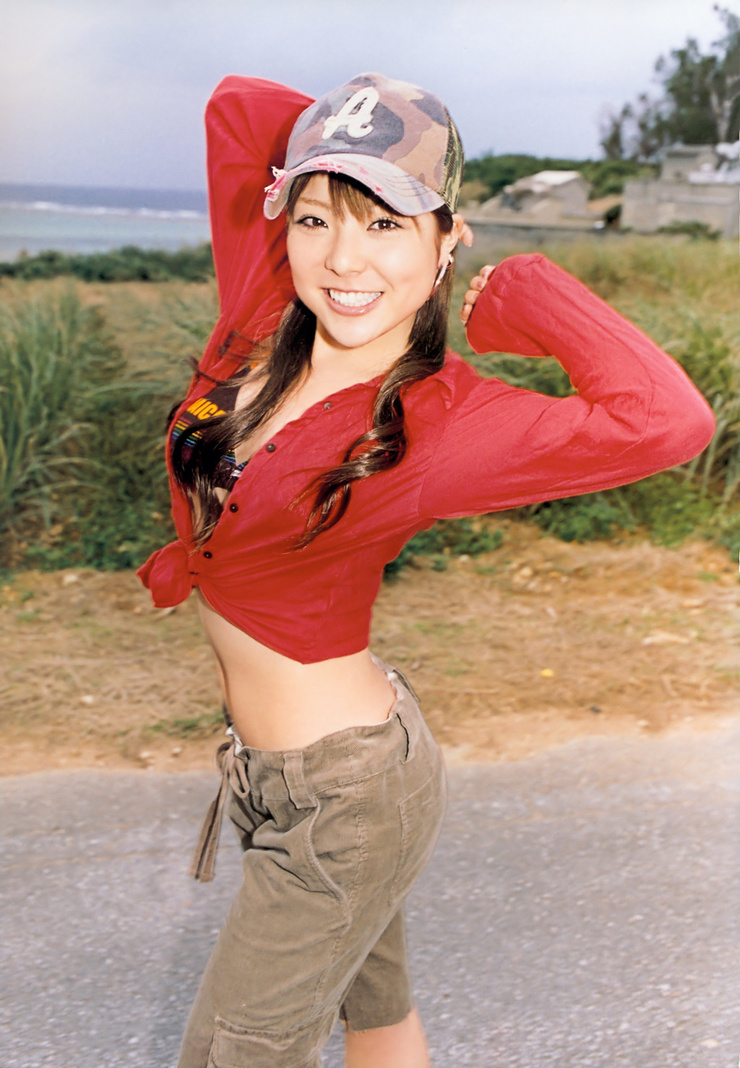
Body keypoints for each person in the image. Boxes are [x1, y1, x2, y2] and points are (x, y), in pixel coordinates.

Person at [137, 73, 715, 1068]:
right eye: (315, 219)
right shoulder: (263, 314)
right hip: (281, 774)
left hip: (344, 800)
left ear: (447, 240)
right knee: (376, 1016)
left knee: (233, 1051)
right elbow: (237, 108)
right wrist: (356, 135)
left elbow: (668, 421)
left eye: (386, 225)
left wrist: (524, 295)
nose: (343, 258)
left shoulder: (445, 425)